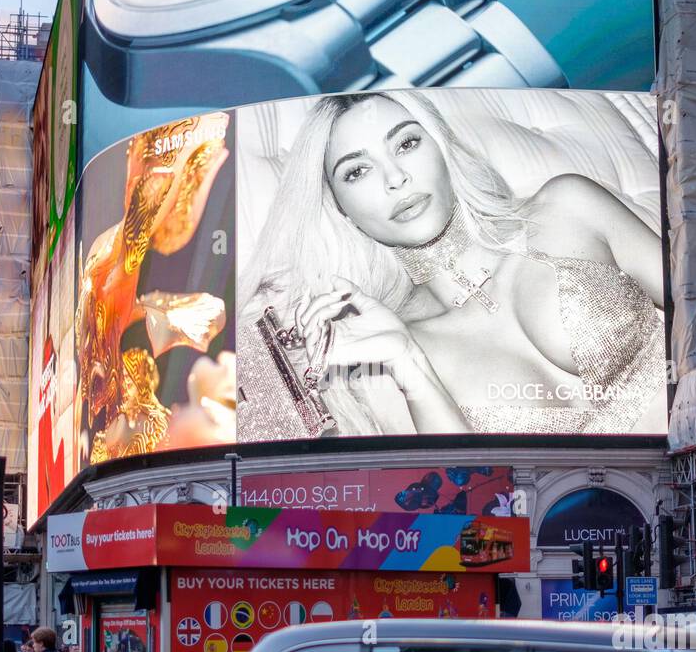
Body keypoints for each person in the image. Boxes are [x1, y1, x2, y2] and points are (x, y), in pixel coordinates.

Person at [240, 91, 666, 438]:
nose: (394, 178)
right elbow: (473, 513)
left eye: (406, 144)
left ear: (441, 147)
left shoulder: (567, 207)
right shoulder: (380, 359)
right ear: (341, 207)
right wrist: (410, 364)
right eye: (357, 171)